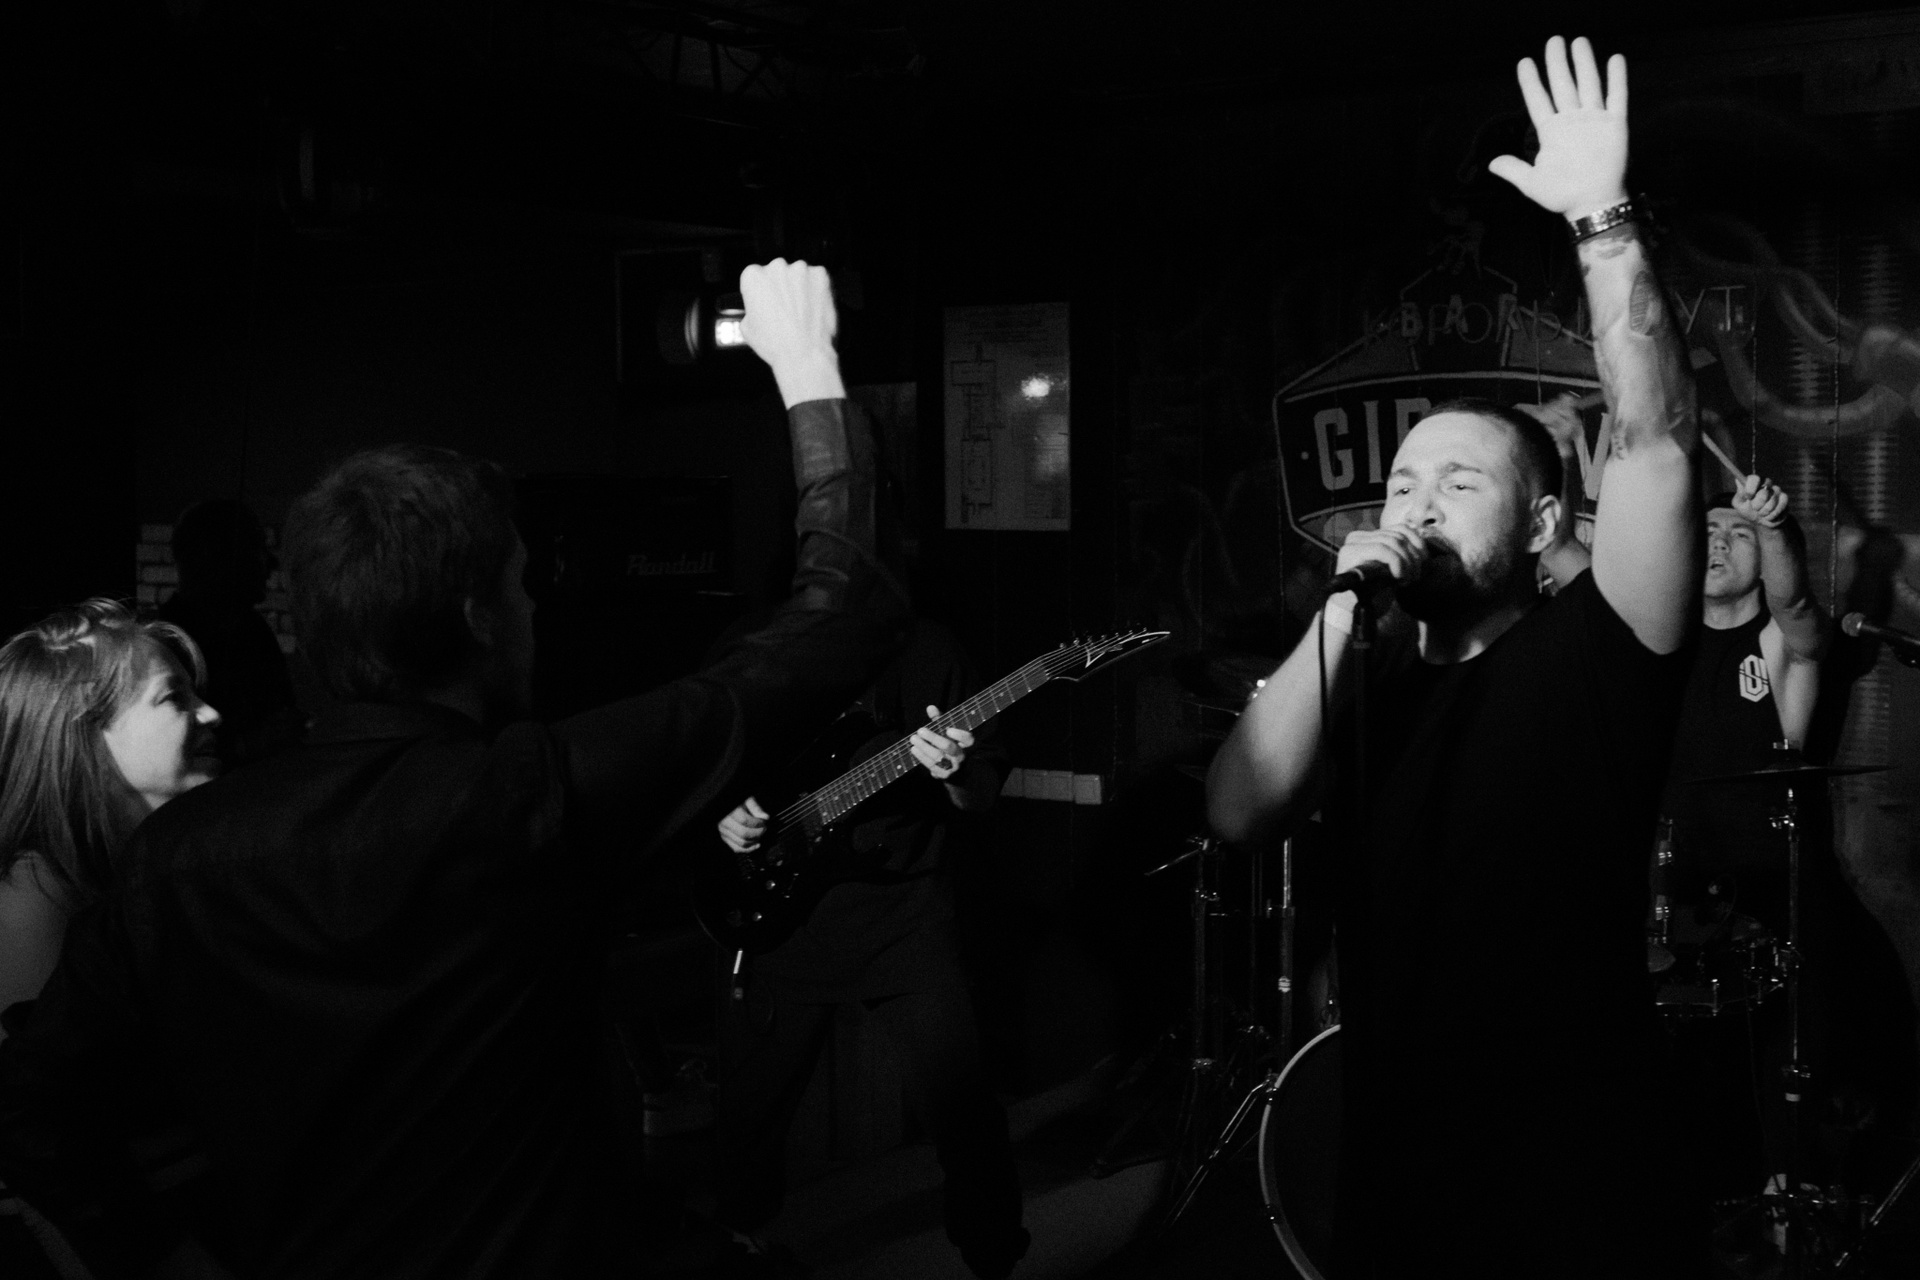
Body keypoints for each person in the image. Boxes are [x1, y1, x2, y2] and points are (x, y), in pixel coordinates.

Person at [0, 259, 908, 1279]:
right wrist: (806, 361)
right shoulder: (525, 796)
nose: (535, 607)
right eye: (521, 584)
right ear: (480, 616)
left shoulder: (171, 860)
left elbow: (31, 1112)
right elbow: (843, 617)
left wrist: (168, 1258)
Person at [1208, 37, 1703, 1277]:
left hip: (1575, 1176)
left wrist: (1602, 225)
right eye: (1402, 481)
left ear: (1541, 523)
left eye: (1461, 480)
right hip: (1397, 1169)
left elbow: (1653, 444)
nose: (1418, 501)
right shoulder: (1363, 679)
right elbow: (1238, 810)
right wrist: (1340, 609)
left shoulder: (1599, 651)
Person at [710, 618, 1027, 1280]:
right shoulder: (777, 643)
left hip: (905, 917)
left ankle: (993, 1253)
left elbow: (981, 793)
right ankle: (732, 1241)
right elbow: (719, 755)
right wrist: (727, 813)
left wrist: (956, 772)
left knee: (963, 1109)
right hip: (788, 916)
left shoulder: (930, 649)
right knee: (749, 1110)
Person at [0, 602, 220, 1277]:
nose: (211, 714)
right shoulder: (36, 905)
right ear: (84, 737)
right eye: (173, 697)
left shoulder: (115, 882)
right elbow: (43, 1162)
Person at [157, 500, 304, 767]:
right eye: (257, 548)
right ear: (220, 557)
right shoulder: (165, 643)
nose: (271, 562)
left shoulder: (253, 629)